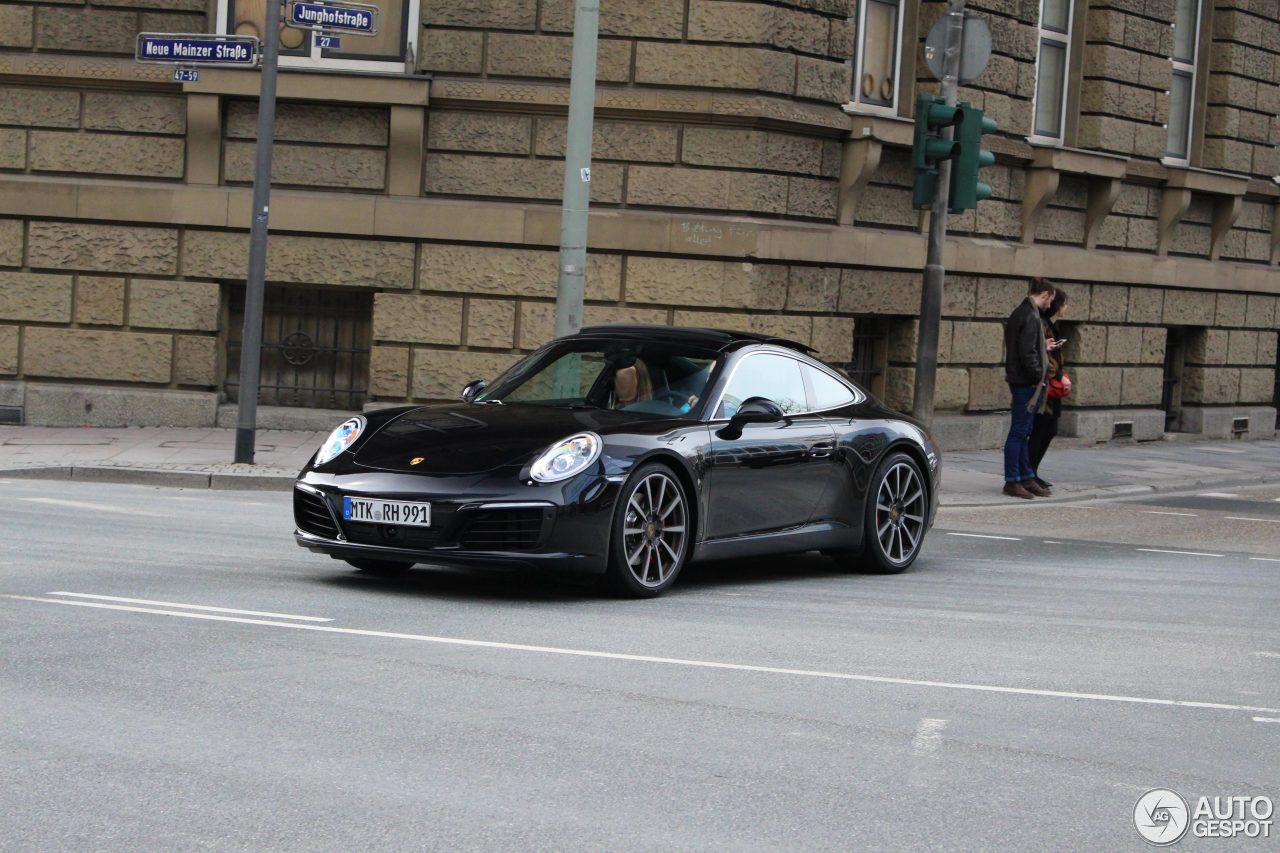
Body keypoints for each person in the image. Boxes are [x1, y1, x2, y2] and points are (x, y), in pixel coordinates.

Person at [1002, 277, 1057, 499]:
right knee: (1018, 433)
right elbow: (1027, 354)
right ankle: (1013, 480)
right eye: (1050, 300)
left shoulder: (1024, 313)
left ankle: (1025, 477)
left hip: (1024, 380)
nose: (1050, 305)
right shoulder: (1030, 315)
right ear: (1044, 294)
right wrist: (1038, 377)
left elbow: (1026, 348)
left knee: (1023, 433)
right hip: (1027, 383)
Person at [1029, 287, 1069, 489]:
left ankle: (1033, 471)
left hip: (1051, 383)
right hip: (1045, 384)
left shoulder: (1052, 326)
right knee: (1040, 429)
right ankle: (1030, 472)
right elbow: (1044, 356)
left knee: (1048, 429)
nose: (1066, 308)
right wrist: (1059, 376)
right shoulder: (1043, 324)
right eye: (1064, 303)